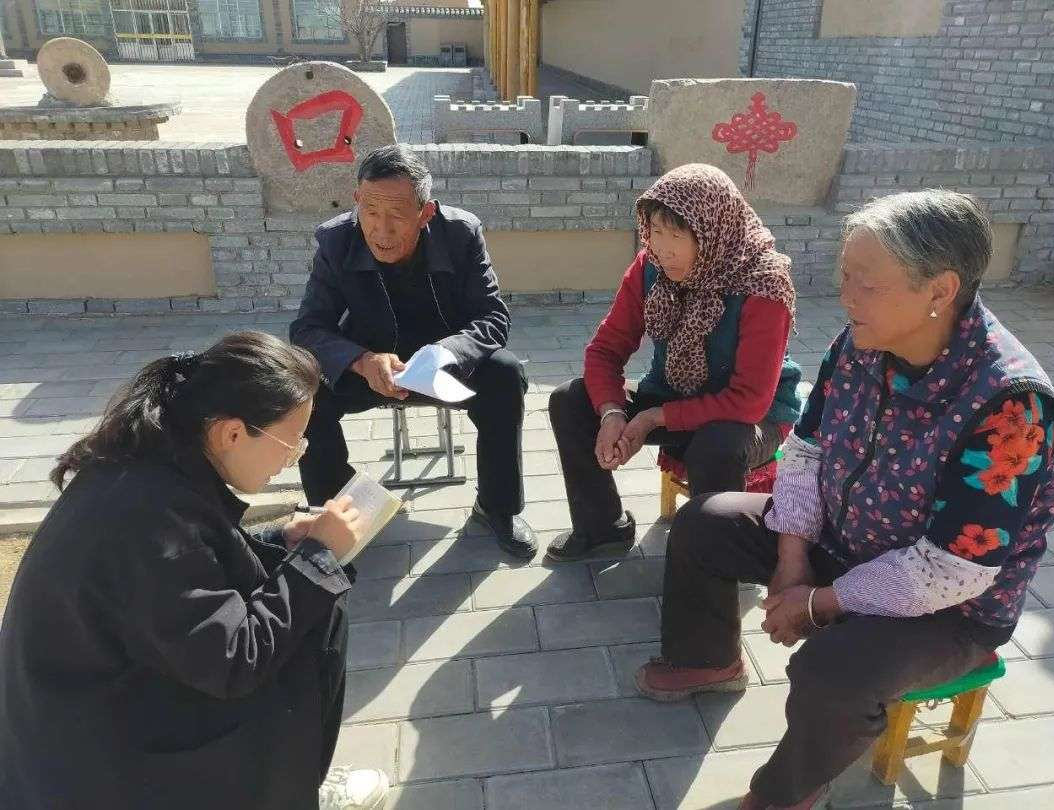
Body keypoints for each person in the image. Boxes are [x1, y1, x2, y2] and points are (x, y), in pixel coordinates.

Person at [635, 190, 1054, 810]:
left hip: (951, 607)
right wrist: (791, 562)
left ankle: (787, 792)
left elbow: (951, 569)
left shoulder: (1013, 405)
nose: (846, 297)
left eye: (866, 284)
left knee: (833, 671)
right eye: (846, 276)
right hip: (844, 541)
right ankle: (706, 659)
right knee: (704, 522)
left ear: (939, 291)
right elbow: (807, 449)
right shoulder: (860, 343)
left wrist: (815, 605)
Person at [0, 332, 390, 810]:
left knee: (303, 600)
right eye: (291, 444)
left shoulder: (148, 467)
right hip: (98, 766)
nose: (296, 457)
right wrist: (317, 557)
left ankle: (296, 779)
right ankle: (288, 787)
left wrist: (281, 541)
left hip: (94, 715)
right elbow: (235, 660)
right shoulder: (147, 518)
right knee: (308, 633)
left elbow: (194, 572)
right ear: (231, 433)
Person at [546, 163, 802, 561]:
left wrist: (653, 418)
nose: (663, 248)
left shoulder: (763, 283)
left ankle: (714, 560)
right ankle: (602, 529)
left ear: (712, 230)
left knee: (716, 445)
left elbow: (748, 401)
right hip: (673, 393)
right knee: (571, 399)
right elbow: (605, 350)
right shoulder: (651, 267)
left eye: (677, 235)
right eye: (656, 231)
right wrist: (612, 412)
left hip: (751, 416)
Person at [291, 144, 535, 558]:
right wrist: (360, 360)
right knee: (304, 387)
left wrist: (446, 353)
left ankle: (497, 507)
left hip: (445, 365)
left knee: (505, 375)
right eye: (371, 212)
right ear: (357, 201)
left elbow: (493, 316)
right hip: (370, 368)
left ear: (426, 213)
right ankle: (334, 513)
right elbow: (308, 329)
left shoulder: (461, 233)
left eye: (397, 215)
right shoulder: (335, 240)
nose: (381, 230)